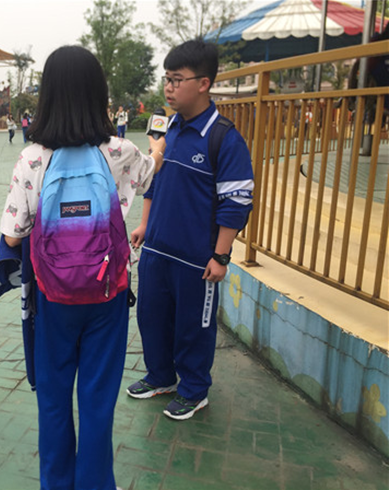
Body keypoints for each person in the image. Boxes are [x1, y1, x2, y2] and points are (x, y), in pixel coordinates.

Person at [0, 45, 165, 490]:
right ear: (97, 93)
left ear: (48, 95)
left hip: (53, 300)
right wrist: (158, 148)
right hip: (107, 296)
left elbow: (13, 235)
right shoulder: (120, 151)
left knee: (54, 401)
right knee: (97, 403)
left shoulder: (33, 157)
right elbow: (151, 173)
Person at [127, 39, 254, 420]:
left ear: (203, 84)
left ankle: (194, 389)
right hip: (157, 250)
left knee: (192, 328)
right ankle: (161, 376)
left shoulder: (223, 139)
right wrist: (145, 224)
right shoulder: (171, 130)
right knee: (151, 317)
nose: (168, 88)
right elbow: (153, 181)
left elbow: (237, 202)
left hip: (196, 260)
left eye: (177, 79)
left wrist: (220, 255)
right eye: (166, 79)